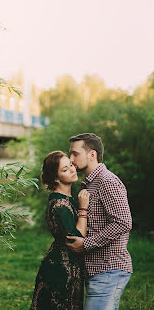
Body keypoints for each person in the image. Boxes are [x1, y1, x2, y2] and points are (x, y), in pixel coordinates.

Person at [66, 133, 132, 310]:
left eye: (75, 154)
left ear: (92, 155)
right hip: (97, 270)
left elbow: (123, 222)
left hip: (109, 268)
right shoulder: (89, 183)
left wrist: (85, 244)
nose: (71, 160)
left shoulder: (106, 181)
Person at [31, 150, 90, 310]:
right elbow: (77, 239)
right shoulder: (59, 205)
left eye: (70, 164)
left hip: (67, 266)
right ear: (56, 178)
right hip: (61, 271)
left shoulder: (66, 199)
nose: (72, 169)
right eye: (65, 169)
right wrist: (83, 209)